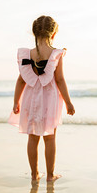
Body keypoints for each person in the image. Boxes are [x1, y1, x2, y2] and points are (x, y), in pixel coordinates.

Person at [8, 15, 75, 182]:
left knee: (32, 137)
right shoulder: (56, 54)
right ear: (53, 34)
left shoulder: (26, 54)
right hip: (50, 100)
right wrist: (68, 102)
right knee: (50, 137)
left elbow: (21, 80)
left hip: (30, 100)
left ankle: (34, 175)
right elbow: (59, 80)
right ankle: (50, 175)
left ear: (34, 33)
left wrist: (16, 101)